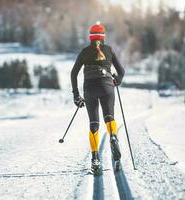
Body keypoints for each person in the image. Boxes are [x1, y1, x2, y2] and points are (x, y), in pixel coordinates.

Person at [70, 21, 125, 172]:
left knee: (94, 123)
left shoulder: (84, 52)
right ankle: (113, 136)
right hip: (107, 86)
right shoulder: (109, 50)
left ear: (90, 38)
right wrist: (117, 81)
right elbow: (122, 71)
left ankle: (95, 159)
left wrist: (76, 95)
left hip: (90, 89)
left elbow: (73, 73)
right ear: (103, 37)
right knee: (109, 117)